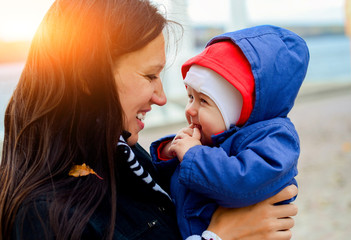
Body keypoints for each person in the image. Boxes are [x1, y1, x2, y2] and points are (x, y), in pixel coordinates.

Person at [0, 0, 298, 239]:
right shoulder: (45, 214)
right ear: (88, 77)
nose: (161, 97)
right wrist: (221, 236)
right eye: (149, 75)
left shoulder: (120, 155)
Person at [150, 25, 309, 239]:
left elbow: (240, 183)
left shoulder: (276, 140)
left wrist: (191, 155)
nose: (190, 109)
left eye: (203, 100)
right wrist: (172, 152)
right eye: (190, 97)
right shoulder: (215, 138)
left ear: (240, 109)